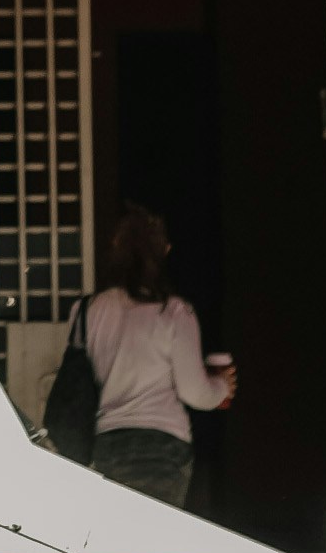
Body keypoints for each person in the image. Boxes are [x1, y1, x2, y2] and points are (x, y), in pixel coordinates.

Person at [72, 207, 235, 496]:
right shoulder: (174, 312)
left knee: (117, 536)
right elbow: (194, 393)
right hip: (163, 446)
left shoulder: (88, 311)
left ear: (115, 249)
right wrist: (223, 387)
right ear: (163, 252)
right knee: (156, 539)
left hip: (109, 441)